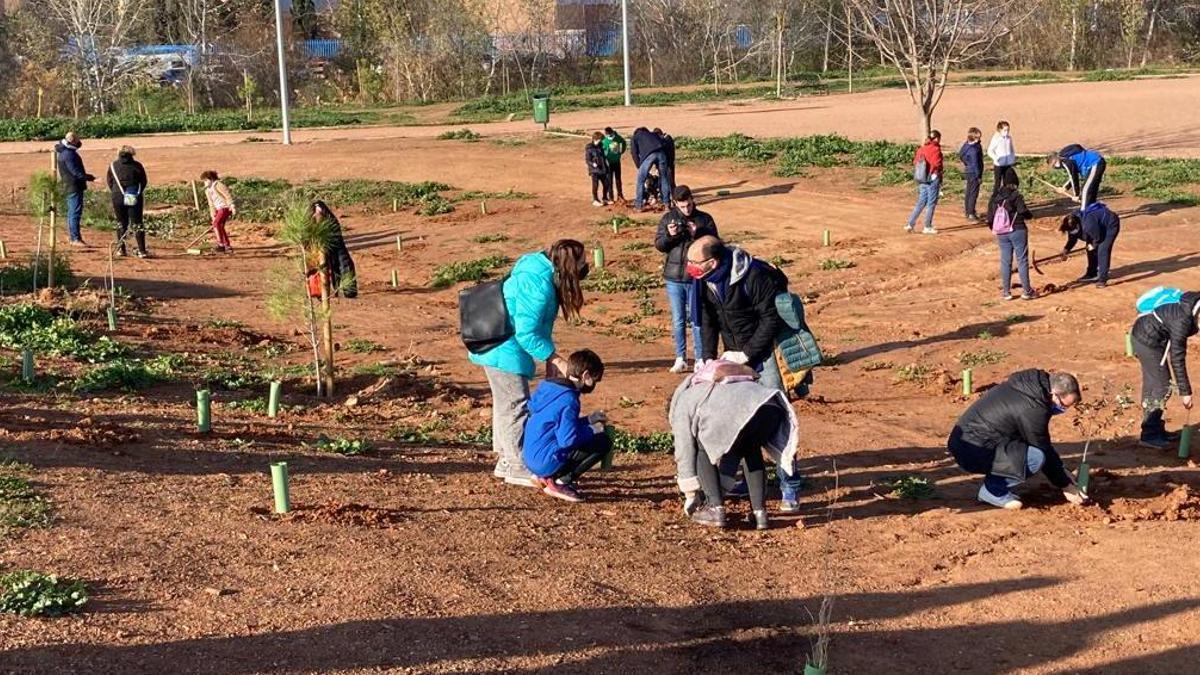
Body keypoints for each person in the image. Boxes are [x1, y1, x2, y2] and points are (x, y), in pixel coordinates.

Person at [686, 235, 804, 511]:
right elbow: (707, 319)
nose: (690, 268)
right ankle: (743, 479)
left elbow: (770, 320)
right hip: (732, 355)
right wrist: (705, 356)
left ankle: (790, 487)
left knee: (776, 420)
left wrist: (747, 353)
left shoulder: (756, 276)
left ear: (712, 262)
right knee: (739, 418)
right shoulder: (704, 281)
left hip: (765, 356)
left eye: (694, 263)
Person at [468, 240, 590, 487]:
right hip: (503, 348)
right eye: (581, 263)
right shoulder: (538, 285)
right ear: (568, 265)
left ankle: (505, 459)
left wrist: (548, 356)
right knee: (516, 403)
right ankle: (516, 465)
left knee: (505, 404)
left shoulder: (537, 266)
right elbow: (527, 333)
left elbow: (536, 325)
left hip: (498, 344)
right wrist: (554, 358)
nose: (585, 267)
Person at [670, 360, 799, 529]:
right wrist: (723, 483)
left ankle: (715, 509)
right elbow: (732, 443)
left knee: (702, 447)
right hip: (770, 406)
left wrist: (690, 494)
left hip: (742, 409)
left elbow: (685, 450)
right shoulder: (716, 381)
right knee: (750, 448)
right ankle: (760, 513)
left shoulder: (684, 399)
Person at [948, 369, 1089, 510]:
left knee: (1032, 449)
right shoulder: (1032, 409)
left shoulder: (1030, 388)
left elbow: (1039, 439)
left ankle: (995, 485)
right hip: (972, 450)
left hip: (971, 439)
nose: (1062, 410)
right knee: (1035, 458)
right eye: (1063, 406)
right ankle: (993, 490)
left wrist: (1061, 470)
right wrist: (1065, 484)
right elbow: (1041, 446)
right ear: (1053, 394)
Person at [522, 349, 611, 503]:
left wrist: (589, 420)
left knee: (589, 436)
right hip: (544, 461)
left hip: (531, 457)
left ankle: (544, 476)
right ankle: (560, 481)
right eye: (594, 380)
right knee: (602, 442)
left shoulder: (551, 388)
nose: (593, 384)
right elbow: (567, 439)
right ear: (585, 375)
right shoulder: (570, 400)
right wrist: (593, 429)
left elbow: (559, 424)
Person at [655, 185, 718, 374]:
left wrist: (697, 234)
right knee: (678, 319)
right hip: (674, 277)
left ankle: (699, 358)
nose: (687, 209)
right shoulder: (668, 219)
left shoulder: (704, 219)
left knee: (697, 318)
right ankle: (680, 357)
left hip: (696, 278)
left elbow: (715, 245)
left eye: (689, 205)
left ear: (692, 200)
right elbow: (660, 245)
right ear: (675, 204)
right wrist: (671, 235)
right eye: (682, 206)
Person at [1130, 290, 1199, 449]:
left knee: (1155, 385)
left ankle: (1155, 429)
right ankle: (1150, 435)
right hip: (1146, 341)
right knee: (1162, 386)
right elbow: (1177, 357)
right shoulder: (1182, 321)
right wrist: (1185, 392)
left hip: (1152, 338)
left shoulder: (1192, 307)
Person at [990, 178, 1036, 301]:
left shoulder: (996, 198)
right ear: (1015, 184)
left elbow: (990, 217)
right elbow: (1022, 211)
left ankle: (1006, 292)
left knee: (1006, 262)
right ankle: (1027, 291)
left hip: (1002, 232)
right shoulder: (1016, 196)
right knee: (1022, 260)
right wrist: (1030, 216)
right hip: (1018, 230)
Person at [1059, 202, 1121, 288]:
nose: (1071, 233)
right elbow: (1072, 239)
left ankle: (1102, 279)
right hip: (1096, 227)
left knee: (1102, 251)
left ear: (1077, 226)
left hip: (1110, 225)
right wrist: (1066, 249)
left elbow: (1098, 238)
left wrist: (1093, 246)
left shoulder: (1088, 224)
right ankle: (1091, 273)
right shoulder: (1072, 222)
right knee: (1090, 249)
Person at [105, 145, 149, 258]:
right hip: (134, 196)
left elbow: (110, 182)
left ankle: (121, 249)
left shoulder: (113, 166)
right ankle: (142, 250)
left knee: (121, 223)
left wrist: (117, 192)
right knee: (137, 223)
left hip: (117, 197)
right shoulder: (137, 166)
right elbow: (143, 181)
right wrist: (136, 193)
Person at [54, 131, 95, 246]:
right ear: (72, 141)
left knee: (72, 212)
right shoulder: (69, 154)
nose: (79, 142)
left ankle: (73, 236)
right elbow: (76, 172)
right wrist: (91, 178)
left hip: (70, 185)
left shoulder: (65, 152)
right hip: (73, 186)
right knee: (74, 213)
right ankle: (75, 238)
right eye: (77, 140)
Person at [311, 201, 358, 299]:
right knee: (320, 267)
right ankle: (319, 291)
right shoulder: (312, 215)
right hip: (320, 245)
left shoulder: (325, 216)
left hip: (334, 242)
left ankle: (349, 290)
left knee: (343, 264)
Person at [905, 130, 943, 235]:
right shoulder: (936, 149)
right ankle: (927, 226)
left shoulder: (921, 149)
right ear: (936, 139)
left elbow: (915, 162)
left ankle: (910, 223)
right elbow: (937, 164)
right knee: (931, 203)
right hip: (932, 179)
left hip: (922, 179)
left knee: (921, 202)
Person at [1050, 144, 1106, 211]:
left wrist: (1076, 195)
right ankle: (1093, 212)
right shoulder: (1066, 159)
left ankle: (1084, 213)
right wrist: (1065, 187)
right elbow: (1073, 175)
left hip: (1095, 163)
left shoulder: (1066, 162)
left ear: (1056, 161)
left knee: (1085, 190)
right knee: (1090, 191)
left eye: (1054, 165)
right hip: (1093, 165)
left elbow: (1074, 178)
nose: (1056, 167)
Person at [631, 126, 671, 211]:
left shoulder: (636, 136)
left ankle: (639, 205)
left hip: (649, 155)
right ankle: (667, 204)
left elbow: (634, 153)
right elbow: (663, 144)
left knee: (640, 180)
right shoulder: (653, 134)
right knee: (664, 178)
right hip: (661, 153)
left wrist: (639, 166)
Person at [200, 170, 236, 253]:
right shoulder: (207, 191)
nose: (205, 183)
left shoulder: (218, 185)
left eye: (206, 180)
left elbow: (227, 195)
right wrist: (213, 215)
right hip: (218, 209)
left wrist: (232, 205)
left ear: (211, 179)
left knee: (216, 224)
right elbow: (211, 204)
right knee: (219, 226)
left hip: (225, 208)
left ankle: (221, 244)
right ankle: (227, 246)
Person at [986, 121, 1018, 194]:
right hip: (999, 165)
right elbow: (990, 150)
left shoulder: (1009, 138)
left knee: (1007, 182)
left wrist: (1012, 158)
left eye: (1008, 130)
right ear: (999, 130)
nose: (1006, 132)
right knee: (998, 183)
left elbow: (1012, 149)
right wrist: (996, 158)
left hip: (1007, 164)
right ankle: (994, 200)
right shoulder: (996, 139)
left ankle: (1006, 199)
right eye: (1005, 130)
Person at [960, 127, 984, 222]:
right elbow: (976, 164)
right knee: (973, 193)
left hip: (968, 171)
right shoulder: (974, 150)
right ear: (974, 138)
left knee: (968, 192)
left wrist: (966, 163)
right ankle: (971, 213)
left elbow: (961, 155)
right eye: (978, 138)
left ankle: (967, 211)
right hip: (974, 173)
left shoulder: (965, 145)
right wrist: (979, 176)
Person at [585, 132, 611, 207]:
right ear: (596, 139)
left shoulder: (600, 147)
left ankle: (605, 198)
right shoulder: (589, 148)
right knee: (595, 185)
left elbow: (603, 157)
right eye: (600, 139)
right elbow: (587, 160)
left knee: (606, 184)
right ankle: (595, 199)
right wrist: (593, 164)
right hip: (594, 170)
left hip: (602, 168)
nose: (602, 141)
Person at [602, 127, 627, 203]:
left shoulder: (618, 138)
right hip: (608, 163)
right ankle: (611, 197)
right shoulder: (604, 141)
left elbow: (624, 143)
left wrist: (621, 152)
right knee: (610, 180)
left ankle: (620, 195)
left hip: (616, 161)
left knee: (618, 179)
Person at [656, 128, 677, 195]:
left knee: (669, 182)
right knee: (667, 182)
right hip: (668, 164)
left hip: (667, 164)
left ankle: (672, 197)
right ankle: (666, 196)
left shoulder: (666, 140)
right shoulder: (668, 139)